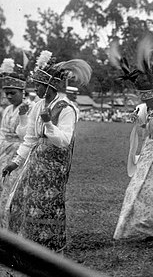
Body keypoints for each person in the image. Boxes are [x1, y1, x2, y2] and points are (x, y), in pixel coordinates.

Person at [2, 50, 92, 252]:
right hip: (36, 161)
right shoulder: (39, 105)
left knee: (46, 204)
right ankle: (28, 245)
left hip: (55, 165)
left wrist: (48, 124)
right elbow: (31, 137)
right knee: (24, 201)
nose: (36, 89)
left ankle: (48, 247)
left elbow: (63, 141)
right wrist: (16, 162)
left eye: (39, 86)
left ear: (50, 86)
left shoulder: (67, 108)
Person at [113, 35, 153, 241]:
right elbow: (141, 115)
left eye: (148, 97)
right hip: (149, 150)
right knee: (137, 187)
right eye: (143, 98)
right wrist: (136, 116)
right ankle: (138, 226)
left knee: (152, 189)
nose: (145, 101)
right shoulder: (148, 107)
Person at [0, 58, 30, 228]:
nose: (10, 96)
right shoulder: (7, 109)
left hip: (18, 154)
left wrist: (24, 117)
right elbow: (2, 132)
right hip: (3, 151)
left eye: (13, 93)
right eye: (7, 93)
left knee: (12, 193)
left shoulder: (28, 108)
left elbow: (27, 135)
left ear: (22, 91)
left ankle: (12, 229)